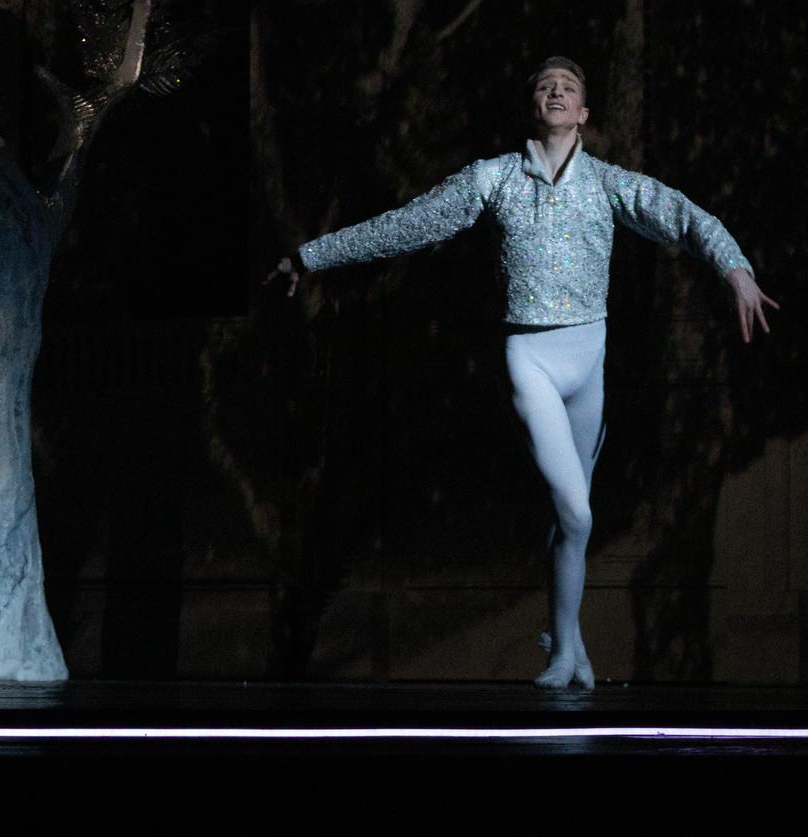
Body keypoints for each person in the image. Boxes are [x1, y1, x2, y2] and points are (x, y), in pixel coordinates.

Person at [265, 57, 777, 689]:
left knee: (570, 520)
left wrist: (735, 268)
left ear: (584, 113)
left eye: (570, 88)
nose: (557, 91)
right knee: (579, 513)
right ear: (531, 106)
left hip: (590, 359)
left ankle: (568, 649)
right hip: (529, 358)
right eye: (545, 85)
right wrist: (309, 256)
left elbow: (682, 214)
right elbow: (405, 225)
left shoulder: (609, 183)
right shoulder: (493, 180)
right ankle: (566, 646)